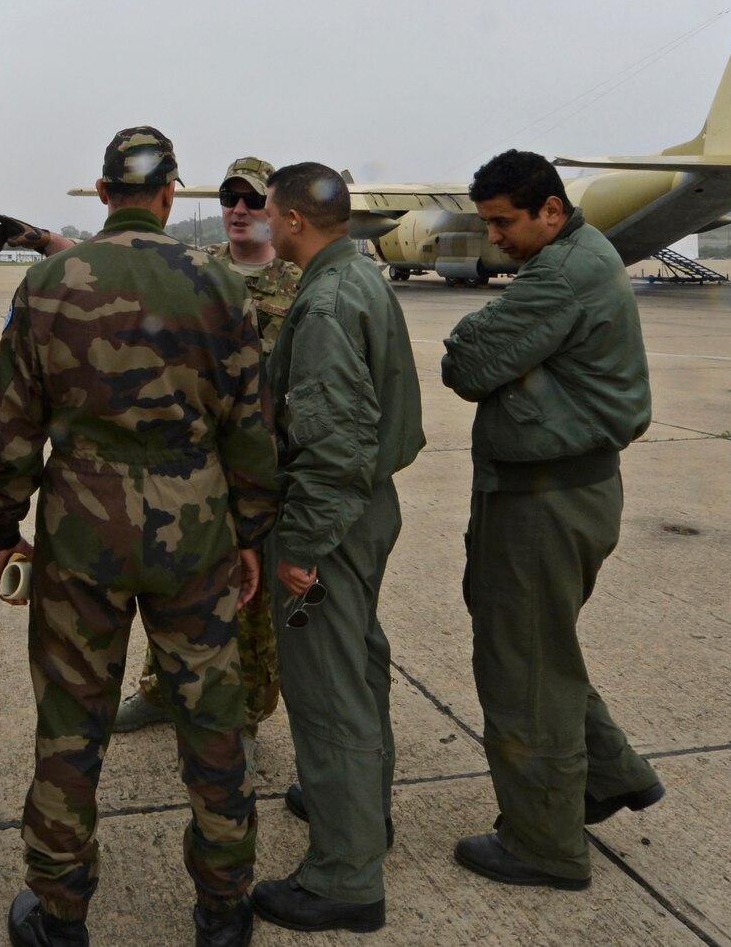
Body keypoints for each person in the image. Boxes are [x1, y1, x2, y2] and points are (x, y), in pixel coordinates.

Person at [0, 127, 277, 947]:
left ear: (105, 193)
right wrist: (250, 529)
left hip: (83, 527)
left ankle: (60, 910)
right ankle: (224, 909)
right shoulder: (221, 283)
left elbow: (15, 421)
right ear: (171, 193)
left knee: (72, 722)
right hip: (195, 526)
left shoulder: (48, 281)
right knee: (212, 720)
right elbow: (250, 425)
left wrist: (4, 527)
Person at [441, 149, 664, 891]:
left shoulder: (561, 273)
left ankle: (544, 843)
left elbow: (467, 366)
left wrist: (475, 334)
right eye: (487, 221)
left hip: (545, 497)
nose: (493, 237)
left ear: (550, 211)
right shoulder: (577, 254)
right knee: (541, 650)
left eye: (504, 221)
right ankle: (605, 775)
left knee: (524, 666)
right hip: (558, 487)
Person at [249, 162, 423, 934]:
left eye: (268, 214)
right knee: (359, 660)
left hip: (334, 514)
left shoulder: (322, 303)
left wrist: (303, 543)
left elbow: (333, 438)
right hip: (367, 502)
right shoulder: (358, 276)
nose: (262, 225)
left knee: (327, 688)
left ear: (291, 219)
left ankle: (344, 873)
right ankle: (359, 808)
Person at [115, 156, 296, 762]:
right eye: (229, 198)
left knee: (250, 600)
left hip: (261, 462)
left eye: (251, 199)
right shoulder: (197, 272)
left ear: (272, 208)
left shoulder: (297, 283)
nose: (239, 210)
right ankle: (160, 691)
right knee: (173, 579)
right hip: (192, 460)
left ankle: (245, 713)